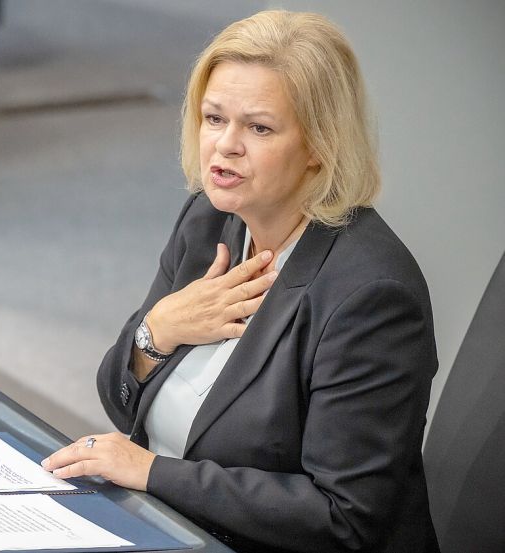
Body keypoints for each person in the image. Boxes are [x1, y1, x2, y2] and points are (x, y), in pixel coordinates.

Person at [41, 10, 440, 553]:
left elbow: (344, 517)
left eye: (259, 127)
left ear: (319, 145)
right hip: (167, 528)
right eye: (213, 118)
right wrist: (155, 333)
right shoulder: (209, 222)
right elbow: (122, 401)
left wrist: (154, 473)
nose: (225, 146)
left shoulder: (370, 295)